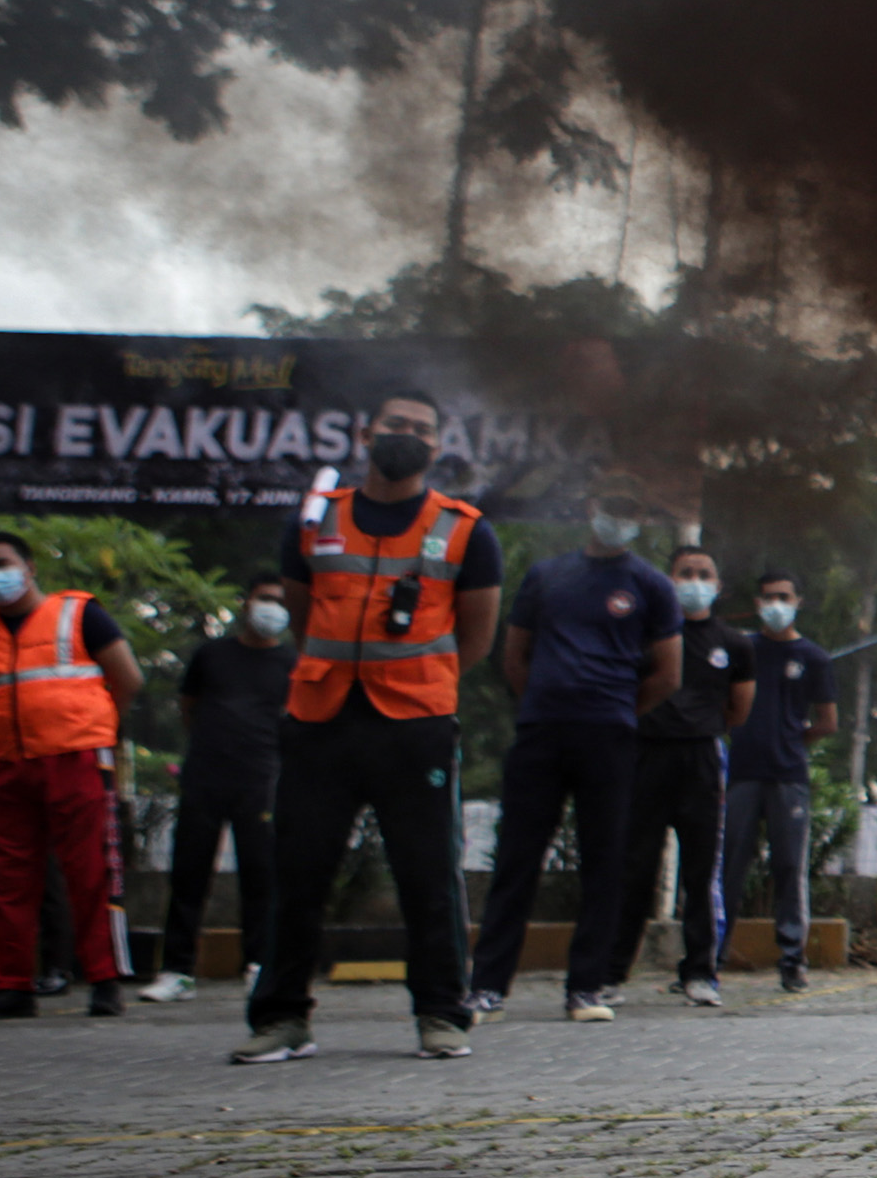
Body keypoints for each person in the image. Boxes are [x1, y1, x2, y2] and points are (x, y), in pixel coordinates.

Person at [243, 392, 500, 1065]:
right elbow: (300, 615)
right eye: (395, 425)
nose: (406, 436)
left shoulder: (465, 528)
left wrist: (417, 677)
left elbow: (474, 635)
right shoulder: (316, 521)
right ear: (365, 432)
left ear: (438, 446)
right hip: (321, 721)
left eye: (421, 428)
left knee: (429, 876)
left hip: (416, 728)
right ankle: (280, 1018)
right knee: (298, 874)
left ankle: (443, 1014)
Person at [465, 493, 682, 1022]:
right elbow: (514, 656)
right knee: (516, 858)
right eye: (613, 508)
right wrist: (546, 700)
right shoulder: (547, 575)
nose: (619, 520)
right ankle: (487, 986)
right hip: (541, 733)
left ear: (643, 520)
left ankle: (586, 988)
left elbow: (667, 674)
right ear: (590, 509)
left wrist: (615, 710)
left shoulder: (651, 585)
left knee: (604, 863)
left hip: (608, 738)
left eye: (631, 512)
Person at [0, 532, 141, 1019]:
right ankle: (10, 986)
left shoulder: (80, 613)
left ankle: (104, 981)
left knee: (91, 874)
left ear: (29, 567)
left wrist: (94, 726)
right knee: (8, 881)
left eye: (2, 563)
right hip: (8, 765)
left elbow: (129, 679)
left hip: (77, 759)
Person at [144, 573, 293, 1003]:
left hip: (261, 778)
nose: (272, 608)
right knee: (188, 872)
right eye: (265, 598)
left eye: (280, 601)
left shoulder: (291, 663)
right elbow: (188, 707)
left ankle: (259, 964)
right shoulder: (212, 655)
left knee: (261, 874)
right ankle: (177, 970)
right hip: (205, 775)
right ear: (246, 603)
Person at [621, 544, 754, 1006]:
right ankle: (611, 973)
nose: (694, 581)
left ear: (717, 586)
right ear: (669, 580)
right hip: (647, 756)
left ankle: (700, 972)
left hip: (701, 759)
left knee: (701, 872)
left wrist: (700, 728)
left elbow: (739, 708)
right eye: (685, 572)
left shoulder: (734, 644)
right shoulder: (646, 634)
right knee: (635, 866)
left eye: (704, 573)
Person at [722, 571, 835, 990]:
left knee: (789, 867)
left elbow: (827, 722)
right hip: (742, 773)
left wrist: (792, 741)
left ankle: (792, 960)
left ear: (797, 602)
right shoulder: (741, 649)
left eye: (783, 597)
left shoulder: (814, 658)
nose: (775, 604)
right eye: (768, 597)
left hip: (789, 776)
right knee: (730, 866)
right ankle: (711, 955)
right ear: (757, 603)